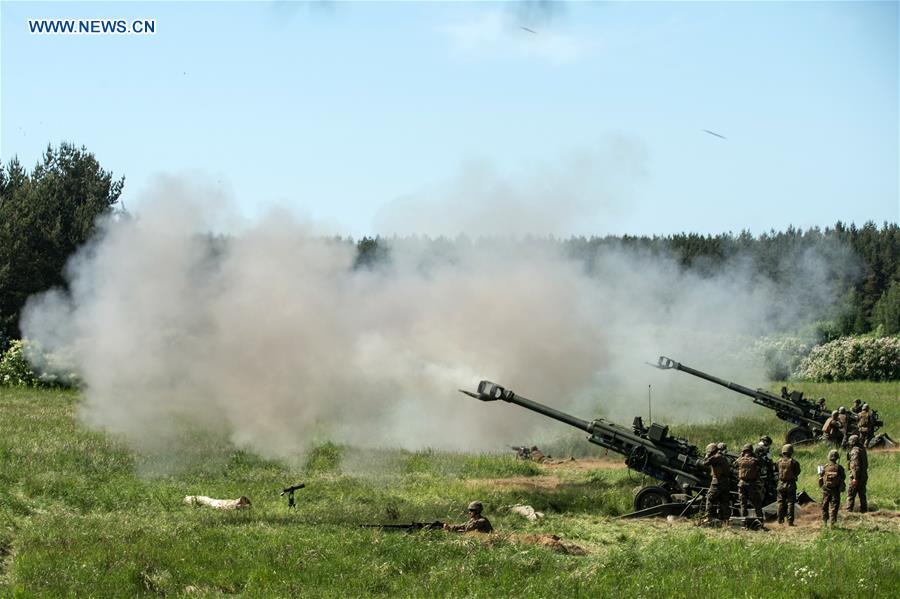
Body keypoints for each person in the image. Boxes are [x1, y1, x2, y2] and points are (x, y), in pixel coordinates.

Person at [702, 442, 732, 525]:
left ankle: (708, 518)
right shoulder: (723, 457)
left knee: (710, 498)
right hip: (725, 482)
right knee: (724, 501)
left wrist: (707, 455)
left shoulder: (716, 457)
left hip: (717, 482)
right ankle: (726, 520)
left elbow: (704, 463)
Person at [735, 444, 764, 524]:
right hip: (751, 484)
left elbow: (735, 464)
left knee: (743, 503)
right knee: (757, 502)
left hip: (741, 484)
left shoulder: (740, 460)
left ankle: (743, 521)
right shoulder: (754, 460)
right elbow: (761, 464)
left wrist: (741, 456)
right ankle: (760, 520)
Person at [819, 449, 846, 526]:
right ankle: (832, 523)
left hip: (826, 489)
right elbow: (843, 477)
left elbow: (820, 476)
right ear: (837, 458)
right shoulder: (839, 467)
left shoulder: (825, 467)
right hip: (835, 490)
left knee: (825, 505)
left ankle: (824, 521)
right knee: (834, 506)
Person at [776, 444, 801, 526]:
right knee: (790, 503)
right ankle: (790, 522)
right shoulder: (794, 462)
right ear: (791, 452)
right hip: (790, 484)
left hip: (780, 484)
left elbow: (776, 470)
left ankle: (780, 520)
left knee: (780, 502)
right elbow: (797, 472)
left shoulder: (778, 462)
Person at [846, 435, 868, 513]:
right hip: (863, 475)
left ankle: (848, 511)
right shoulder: (862, 449)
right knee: (862, 494)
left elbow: (855, 466)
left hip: (856, 476)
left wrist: (855, 478)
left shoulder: (855, 451)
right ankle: (864, 510)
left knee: (851, 494)